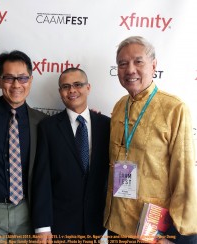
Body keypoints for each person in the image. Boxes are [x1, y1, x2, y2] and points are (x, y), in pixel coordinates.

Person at [104, 36, 197, 244]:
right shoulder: (120, 106)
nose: (130, 70)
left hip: (155, 230)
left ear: (154, 65)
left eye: (138, 61)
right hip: (117, 224)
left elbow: (184, 175)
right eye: (122, 64)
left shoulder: (174, 108)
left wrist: (178, 235)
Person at [0, 50, 47, 241]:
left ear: (30, 80)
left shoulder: (42, 123)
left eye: (22, 78)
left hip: (26, 212)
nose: (16, 85)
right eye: (9, 78)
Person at [31, 67, 110, 243]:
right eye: (66, 86)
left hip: (99, 225)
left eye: (77, 85)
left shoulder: (107, 125)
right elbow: (42, 179)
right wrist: (42, 226)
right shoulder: (48, 128)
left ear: (88, 88)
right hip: (60, 226)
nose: (72, 90)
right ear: (60, 92)